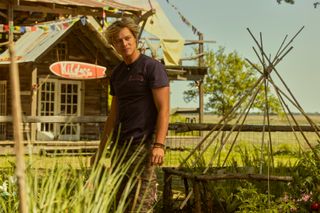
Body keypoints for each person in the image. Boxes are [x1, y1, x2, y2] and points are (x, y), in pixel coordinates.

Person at [91, 17, 170, 212]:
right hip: (120, 147)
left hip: (144, 146)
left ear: (135, 38)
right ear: (113, 45)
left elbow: (164, 109)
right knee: (121, 203)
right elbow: (113, 114)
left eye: (127, 38)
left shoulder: (152, 67)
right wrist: (101, 150)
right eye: (118, 40)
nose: (124, 43)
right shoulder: (117, 74)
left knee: (141, 204)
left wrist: (159, 145)